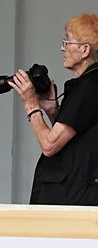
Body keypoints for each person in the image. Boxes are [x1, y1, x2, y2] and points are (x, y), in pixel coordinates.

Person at [13, 14, 98, 205]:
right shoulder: (88, 85)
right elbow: (79, 137)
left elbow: (49, 146)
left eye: (67, 41)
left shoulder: (88, 88)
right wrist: (52, 110)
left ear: (84, 50)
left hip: (73, 200)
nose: (62, 48)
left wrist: (31, 105)